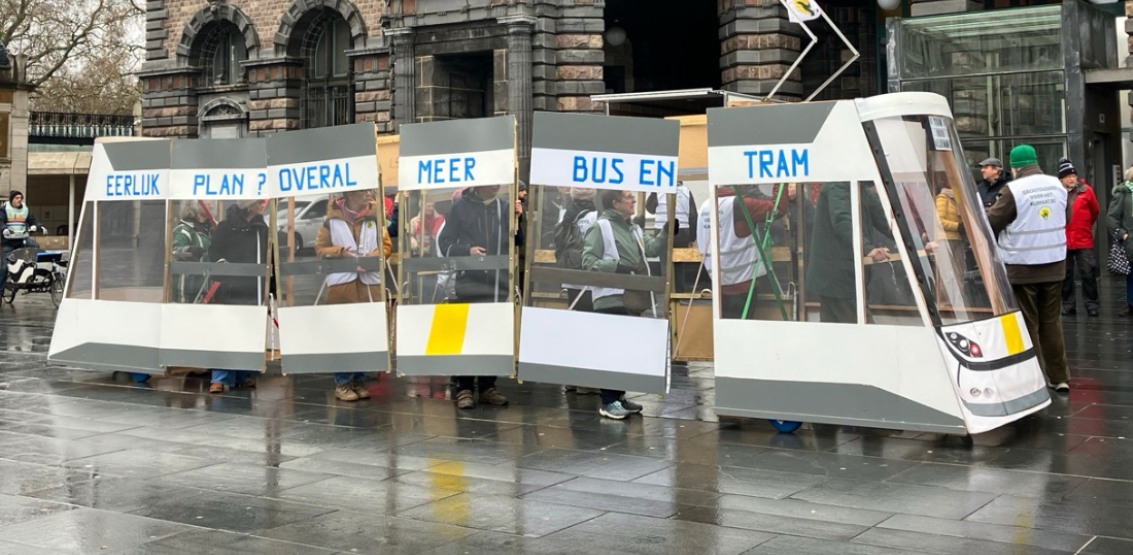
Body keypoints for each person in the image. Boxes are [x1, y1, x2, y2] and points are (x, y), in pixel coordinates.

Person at [987, 145, 1071, 392]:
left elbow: (992, 221)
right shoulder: (1058, 186)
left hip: (1022, 267)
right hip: (1055, 265)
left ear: (1015, 167)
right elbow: (1065, 218)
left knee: (1028, 324)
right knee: (1051, 322)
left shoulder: (1014, 189)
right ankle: (1059, 377)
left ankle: (1033, 379)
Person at [582, 190, 666, 419]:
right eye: (628, 196)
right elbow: (588, 262)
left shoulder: (634, 228)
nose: (634, 199)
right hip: (610, 297)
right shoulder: (600, 227)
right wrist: (616, 266)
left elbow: (651, 249)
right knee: (613, 350)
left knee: (625, 350)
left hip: (631, 297)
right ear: (615, 202)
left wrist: (667, 232)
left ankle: (618, 397)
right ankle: (608, 401)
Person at [437, 184, 517, 409]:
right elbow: (445, 243)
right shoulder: (460, 207)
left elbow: (517, 243)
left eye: (498, 182)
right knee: (468, 336)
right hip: (468, 281)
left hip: (497, 282)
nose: (496, 186)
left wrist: (519, 221)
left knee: (491, 336)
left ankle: (487, 387)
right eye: (491, 182)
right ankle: (464, 388)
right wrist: (467, 250)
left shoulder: (504, 207)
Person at [316, 189, 392, 402]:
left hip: (369, 285)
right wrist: (341, 253)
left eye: (369, 190)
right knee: (342, 335)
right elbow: (320, 249)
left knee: (364, 334)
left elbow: (386, 246)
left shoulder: (376, 217)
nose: (368, 194)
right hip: (342, 287)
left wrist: (370, 260)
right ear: (349, 195)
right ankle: (342, 383)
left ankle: (359, 381)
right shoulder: (331, 220)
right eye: (363, 191)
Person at [207, 199, 271, 394]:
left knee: (248, 331)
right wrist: (225, 267)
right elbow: (214, 252)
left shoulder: (262, 229)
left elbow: (268, 259)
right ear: (247, 203)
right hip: (230, 288)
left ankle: (243, 374)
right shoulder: (226, 227)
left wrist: (268, 288)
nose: (263, 204)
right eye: (259, 201)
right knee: (226, 331)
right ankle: (219, 378)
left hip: (252, 288)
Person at [696, 185, 788, 319]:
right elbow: (778, 209)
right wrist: (781, 181)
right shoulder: (740, 204)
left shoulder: (706, 206)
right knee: (741, 329)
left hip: (719, 284)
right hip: (743, 284)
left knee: (727, 328)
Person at [806, 183, 892, 323]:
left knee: (836, 331)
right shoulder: (838, 185)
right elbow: (842, 221)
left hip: (842, 278)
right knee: (862, 330)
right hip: (839, 277)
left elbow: (885, 219)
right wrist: (867, 248)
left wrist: (915, 239)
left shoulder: (858, 187)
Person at [555, 187, 600, 395]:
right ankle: (586, 381)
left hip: (570, 276)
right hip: (589, 278)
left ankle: (572, 378)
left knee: (575, 326)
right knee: (590, 327)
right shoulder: (597, 216)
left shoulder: (565, 214)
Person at [1057, 158, 1099, 317]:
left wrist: (1086, 226)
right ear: (1061, 179)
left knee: (1088, 273)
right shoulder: (1056, 192)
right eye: (1068, 176)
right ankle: (1068, 305)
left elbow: (1095, 211)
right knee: (1065, 275)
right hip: (1063, 240)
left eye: (1073, 175)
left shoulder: (1086, 191)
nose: (1072, 178)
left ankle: (1092, 305)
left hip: (1083, 239)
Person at [171, 201, 213, 304]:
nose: (211, 206)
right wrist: (189, 250)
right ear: (195, 205)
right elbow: (174, 251)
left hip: (208, 293)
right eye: (207, 202)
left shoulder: (211, 230)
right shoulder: (183, 229)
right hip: (188, 295)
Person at [0, 191, 41, 295]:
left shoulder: (25, 209)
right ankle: (0, 293)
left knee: (35, 246)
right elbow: (0, 221)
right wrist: (4, 229)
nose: (19, 200)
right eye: (17, 198)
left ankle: (26, 270)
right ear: (12, 199)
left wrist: (39, 226)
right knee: (4, 268)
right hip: (8, 242)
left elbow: (32, 220)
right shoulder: (4, 209)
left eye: (21, 198)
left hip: (22, 239)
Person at [1108, 166, 1133, 316]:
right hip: (1131, 241)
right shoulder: (1123, 193)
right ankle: (1131, 303)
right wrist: (1122, 234)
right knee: (1132, 274)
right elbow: (1111, 218)